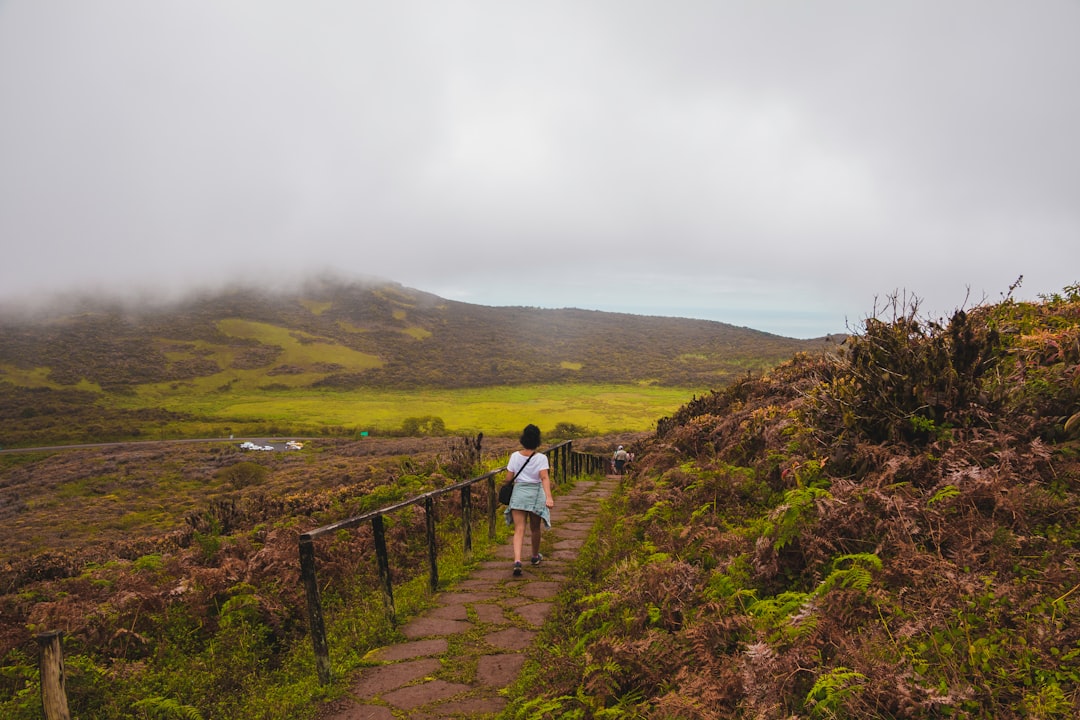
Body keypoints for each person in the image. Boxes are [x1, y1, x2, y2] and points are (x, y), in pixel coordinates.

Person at [504, 424, 553, 576]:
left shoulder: (514, 456)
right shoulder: (541, 458)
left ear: (523, 439)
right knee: (535, 528)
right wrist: (549, 497)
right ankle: (534, 556)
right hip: (535, 494)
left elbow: (508, 478)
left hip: (519, 493)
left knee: (519, 529)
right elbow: (544, 477)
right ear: (537, 440)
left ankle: (517, 560)